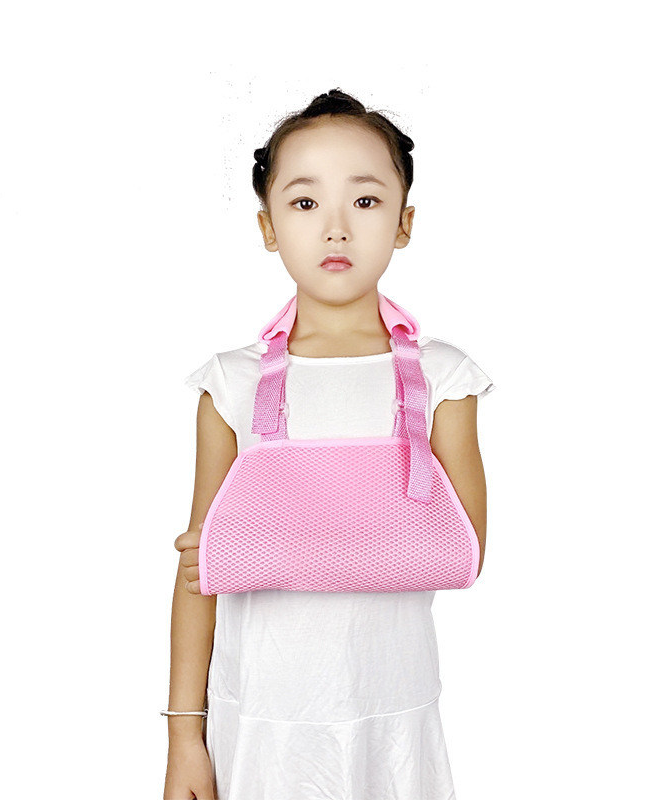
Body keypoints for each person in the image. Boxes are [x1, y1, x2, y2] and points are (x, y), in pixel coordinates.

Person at [163, 88, 495, 800]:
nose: (336, 229)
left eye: (366, 201)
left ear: (404, 223)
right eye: (306, 202)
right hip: (259, 722)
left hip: (392, 723)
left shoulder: (443, 379)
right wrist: (183, 737)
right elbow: (197, 583)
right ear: (268, 226)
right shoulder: (232, 383)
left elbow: (462, 553)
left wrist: (252, 542)